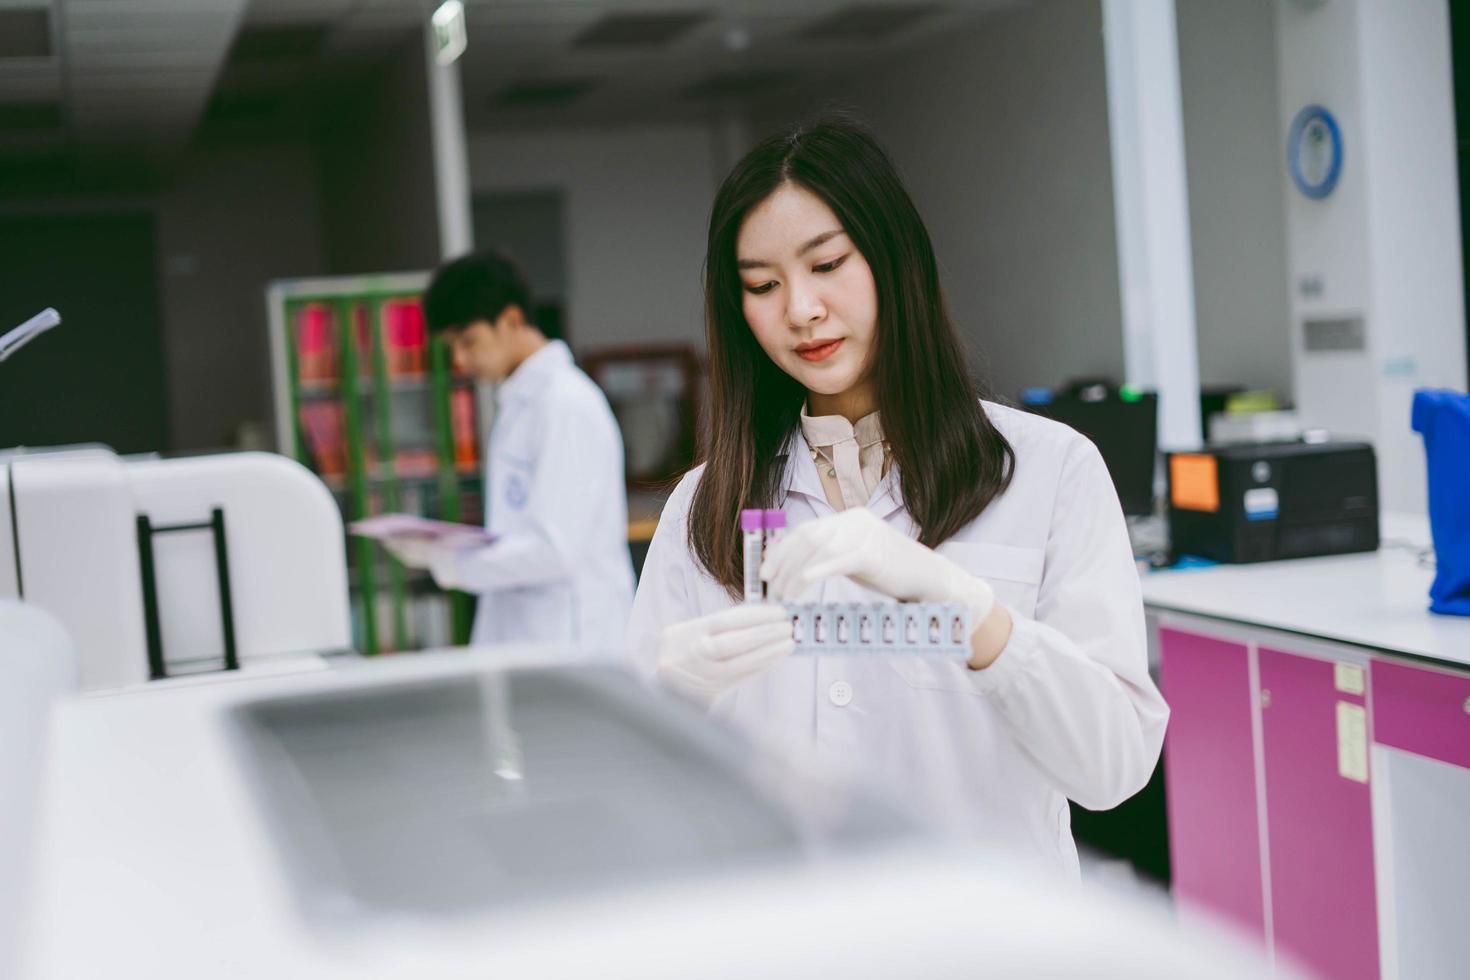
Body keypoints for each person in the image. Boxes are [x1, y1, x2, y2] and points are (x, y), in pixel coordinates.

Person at [627, 117, 1169, 874]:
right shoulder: (705, 507)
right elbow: (639, 801)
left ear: (894, 258)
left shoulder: (1051, 470)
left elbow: (1113, 769)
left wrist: (975, 616)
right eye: (763, 285)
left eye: (827, 265)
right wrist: (660, 701)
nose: (801, 310)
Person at [387, 249, 634, 654]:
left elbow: (554, 551)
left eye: (468, 342)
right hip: (528, 638)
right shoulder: (519, 403)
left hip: (571, 641)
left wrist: (450, 563)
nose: (461, 360)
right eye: (452, 347)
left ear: (512, 320)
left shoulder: (567, 404)